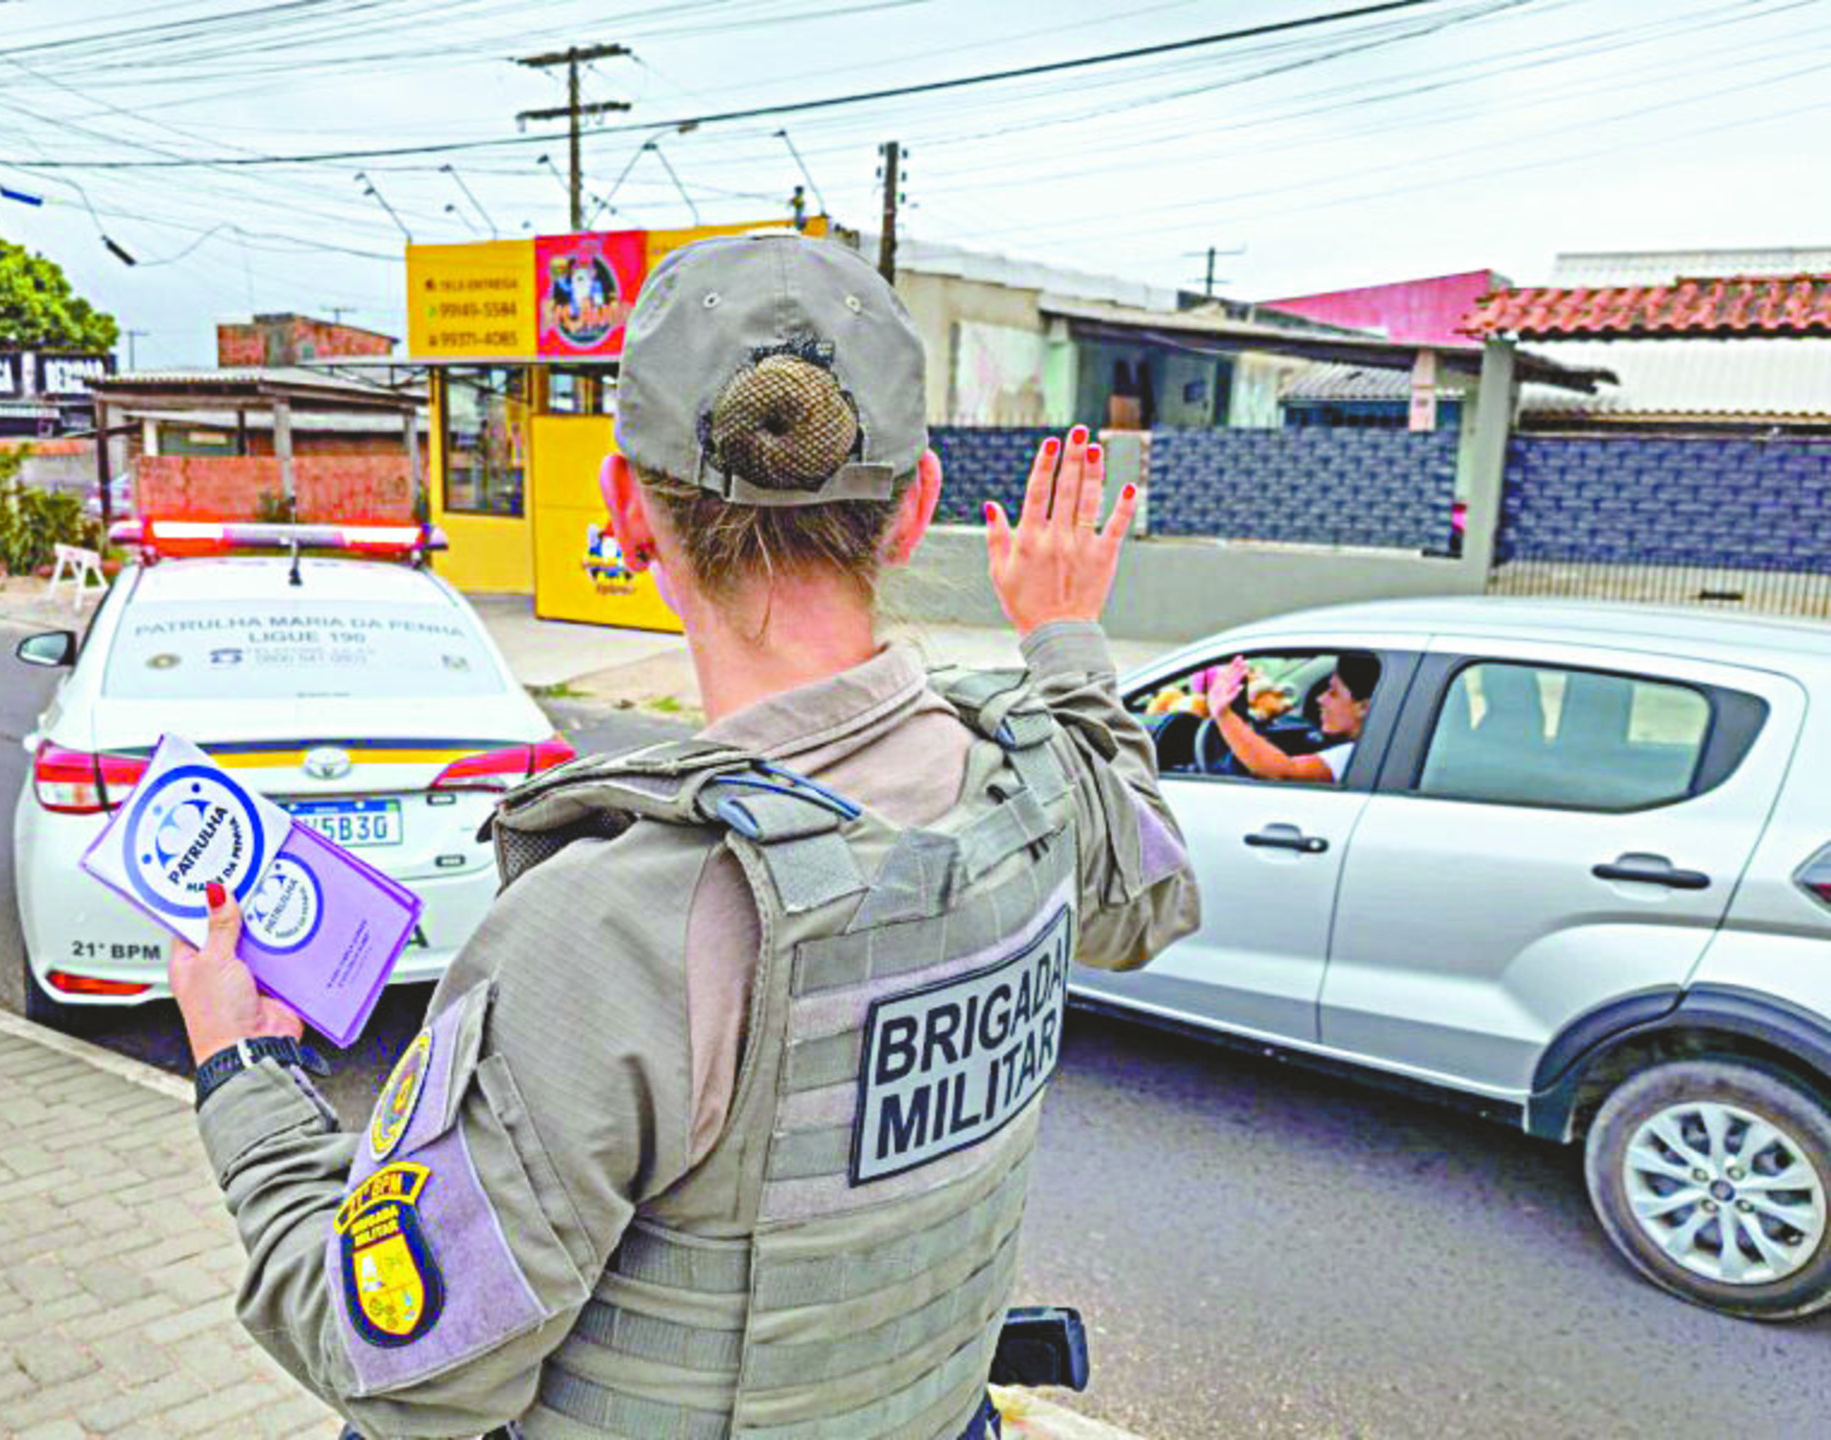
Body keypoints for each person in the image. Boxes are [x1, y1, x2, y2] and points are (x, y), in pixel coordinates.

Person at [168, 232, 1200, 1440]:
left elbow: (405, 1367)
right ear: (916, 508)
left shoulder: (617, 923)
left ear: (628, 513)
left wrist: (245, 1081)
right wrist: (1066, 636)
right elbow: (1154, 895)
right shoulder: (1030, 786)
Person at [1206, 652, 1380, 784]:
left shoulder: (1358, 756)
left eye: (1333, 693)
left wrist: (1223, 715)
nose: (1320, 699)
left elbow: (1285, 772)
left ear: (1363, 708)